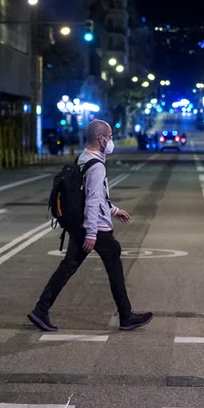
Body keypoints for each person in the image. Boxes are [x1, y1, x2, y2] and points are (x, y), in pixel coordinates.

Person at [29, 119, 153, 333]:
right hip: (96, 229)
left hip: (82, 226)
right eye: (110, 137)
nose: (111, 141)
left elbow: (88, 195)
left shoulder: (83, 158)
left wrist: (114, 210)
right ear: (101, 139)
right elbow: (93, 199)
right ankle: (126, 316)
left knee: (68, 266)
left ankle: (41, 310)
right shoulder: (96, 166)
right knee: (113, 262)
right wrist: (92, 233)